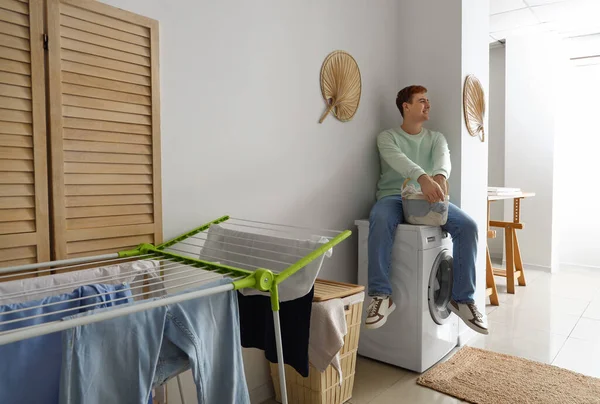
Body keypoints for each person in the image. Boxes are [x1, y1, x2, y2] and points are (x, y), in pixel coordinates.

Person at [365, 85, 488, 335]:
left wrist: (440, 176)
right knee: (378, 217)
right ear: (406, 107)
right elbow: (400, 161)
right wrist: (422, 177)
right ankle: (381, 296)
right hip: (394, 197)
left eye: (428, 100)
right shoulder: (386, 137)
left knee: (468, 226)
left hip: (429, 200)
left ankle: (462, 299)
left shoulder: (436, 138)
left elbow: (443, 158)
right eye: (422, 100)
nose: (428, 105)